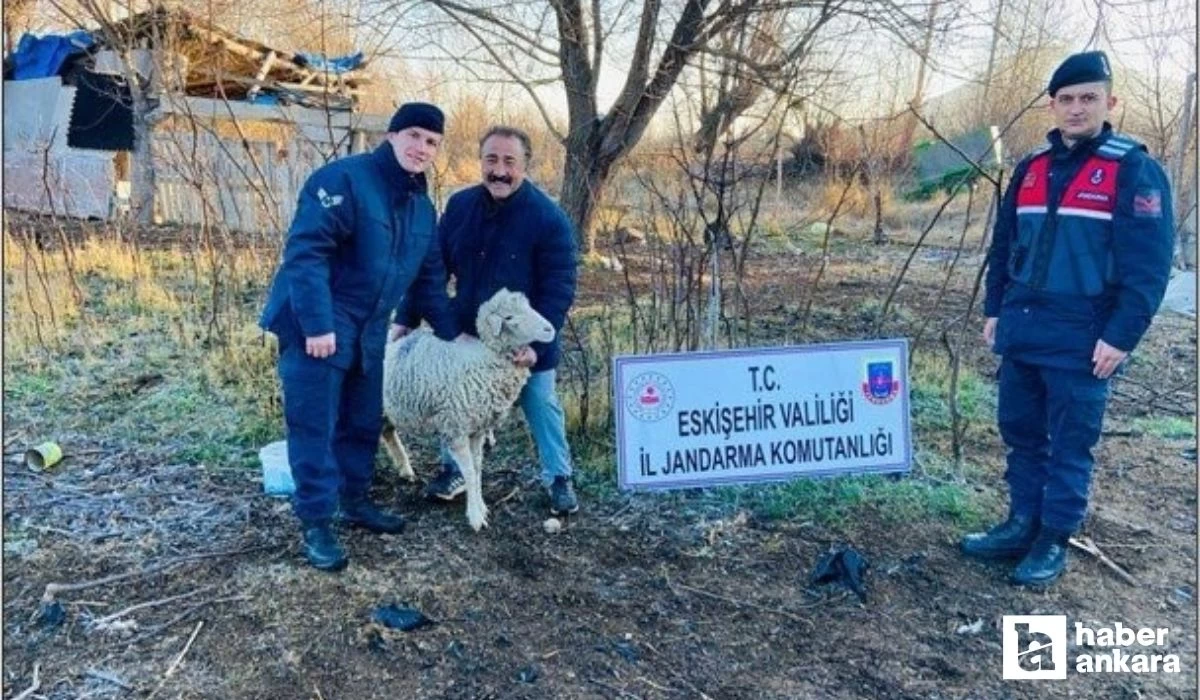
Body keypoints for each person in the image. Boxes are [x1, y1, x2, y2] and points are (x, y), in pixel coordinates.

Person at [962, 51, 1174, 586]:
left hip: (1085, 339)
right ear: (1052, 105)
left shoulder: (1134, 170)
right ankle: (1020, 523)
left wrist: (1121, 337)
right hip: (1024, 329)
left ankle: (1053, 539)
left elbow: (1148, 268)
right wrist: (994, 309)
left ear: (1109, 102)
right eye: (1066, 99)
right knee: (1021, 435)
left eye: (1088, 98)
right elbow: (1005, 244)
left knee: (1070, 443)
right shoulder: (1031, 167)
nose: (1076, 109)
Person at [260, 102, 459, 571]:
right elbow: (306, 254)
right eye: (414, 135)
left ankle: (354, 501)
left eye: (432, 142)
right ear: (392, 135)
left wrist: (457, 337)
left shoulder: (421, 209)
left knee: (362, 420)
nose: (422, 148)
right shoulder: (343, 181)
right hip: (319, 322)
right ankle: (317, 521)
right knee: (316, 423)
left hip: (370, 327)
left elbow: (429, 282)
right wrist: (317, 325)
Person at [395, 125, 580, 516]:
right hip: (466, 331)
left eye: (509, 162)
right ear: (480, 162)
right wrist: (406, 318)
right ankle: (453, 470)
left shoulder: (549, 220)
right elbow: (432, 268)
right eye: (491, 160)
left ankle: (559, 477)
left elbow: (558, 289)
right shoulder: (461, 206)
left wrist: (537, 346)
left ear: (525, 166)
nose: (499, 171)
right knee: (451, 397)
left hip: (521, 338)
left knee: (541, 400)